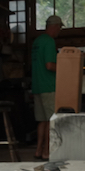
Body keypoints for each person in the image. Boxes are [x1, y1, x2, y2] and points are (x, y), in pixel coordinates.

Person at [31, 15, 63, 160]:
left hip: (37, 86)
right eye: (59, 27)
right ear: (55, 26)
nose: (59, 31)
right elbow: (49, 65)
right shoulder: (50, 42)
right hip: (49, 86)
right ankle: (46, 152)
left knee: (42, 121)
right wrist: (65, 68)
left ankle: (38, 150)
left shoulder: (37, 41)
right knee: (51, 121)